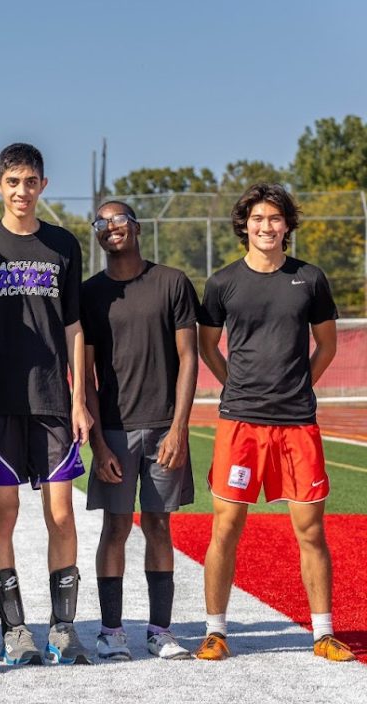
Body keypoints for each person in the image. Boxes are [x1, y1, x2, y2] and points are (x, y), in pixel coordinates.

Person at [195, 183, 354, 662]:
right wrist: (233, 385)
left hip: (296, 423)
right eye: (258, 219)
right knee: (226, 526)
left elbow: (326, 345)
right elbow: (208, 347)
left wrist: (300, 385)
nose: (266, 226)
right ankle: (215, 631)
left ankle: (323, 632)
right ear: (245, 225)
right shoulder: (222, 282)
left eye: (275, 218)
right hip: (240, 423)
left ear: (287, 225)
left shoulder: (309, 278)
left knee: (310, 528)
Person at [0, 143, 93, 666]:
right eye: (12, 181)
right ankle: (15, 630)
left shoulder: (62, 244)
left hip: (53, 399)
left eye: (30, 181)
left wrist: (79, 398)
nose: (21, 191)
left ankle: (63, 629)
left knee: (61, 512)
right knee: (4, 510)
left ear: (43, 186)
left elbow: (74, 327)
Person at [81, 202, 197, 661]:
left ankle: (160, 631)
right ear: (97, 234)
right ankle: (112, 631)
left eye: (119, 219)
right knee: (114, 527)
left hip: (163, 426)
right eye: (102, 223)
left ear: (137, 226)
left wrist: (179, 429)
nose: (111, 228)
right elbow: (85, 374)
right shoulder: (90, 294)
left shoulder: (172, 282)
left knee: (159, 525)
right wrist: (97, 440)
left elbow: (188, 358)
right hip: (114, 428)